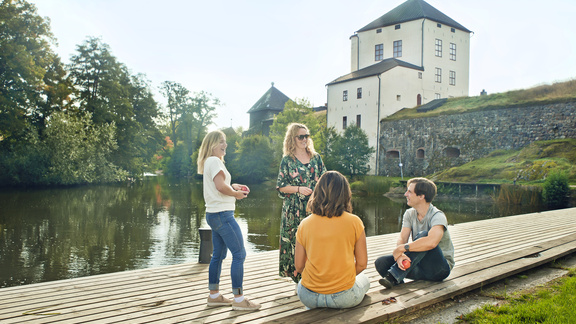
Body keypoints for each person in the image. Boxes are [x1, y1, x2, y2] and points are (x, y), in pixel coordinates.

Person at [197, 130, 261, 311]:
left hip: (213, 214)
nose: (225, 145)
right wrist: (236, 194)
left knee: (218, 255)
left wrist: (233, 187)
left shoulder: (211, 162)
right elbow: (219, 186)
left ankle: (214, 296)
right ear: (212, 145)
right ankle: (239, 299)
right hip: (223, 215)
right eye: (221, 142)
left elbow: (219, 186)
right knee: (239, 254)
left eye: (225, 142)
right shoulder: (215, 161)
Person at [294, 171, 370, 309]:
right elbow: (362, 264)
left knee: (301, 285)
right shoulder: (355, 222)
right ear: (345, 194)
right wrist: (341, 278)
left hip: (309, 297)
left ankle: (314, 308)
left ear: (317, 192)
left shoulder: (304, 224)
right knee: (365, 280)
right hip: (343, 297)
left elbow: (299, 266)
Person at [374, 177, 454, 289]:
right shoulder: (409, 214)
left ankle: (393, 276)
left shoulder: (437, 216)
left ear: (421, 196)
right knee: (381, 262)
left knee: (424, 236)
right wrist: (400, 255)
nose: (405, 194)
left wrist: (402, 249)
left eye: (409, 192)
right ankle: (399, 284)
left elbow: (431, 242)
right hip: (420, 267)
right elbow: (402, 238)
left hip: (439, 269)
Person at [276, 123, 326, 284]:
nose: (304, 139)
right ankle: (298, 280)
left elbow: (326, 180)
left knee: (315, 242)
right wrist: (298, 189)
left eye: (307, 136)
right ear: (292, 138)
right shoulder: (287, 160)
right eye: (301, 136)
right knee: (294, 243)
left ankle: (314, 277)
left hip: (314, 208)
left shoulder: (316, 157)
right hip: (293, 209)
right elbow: (281, 187)